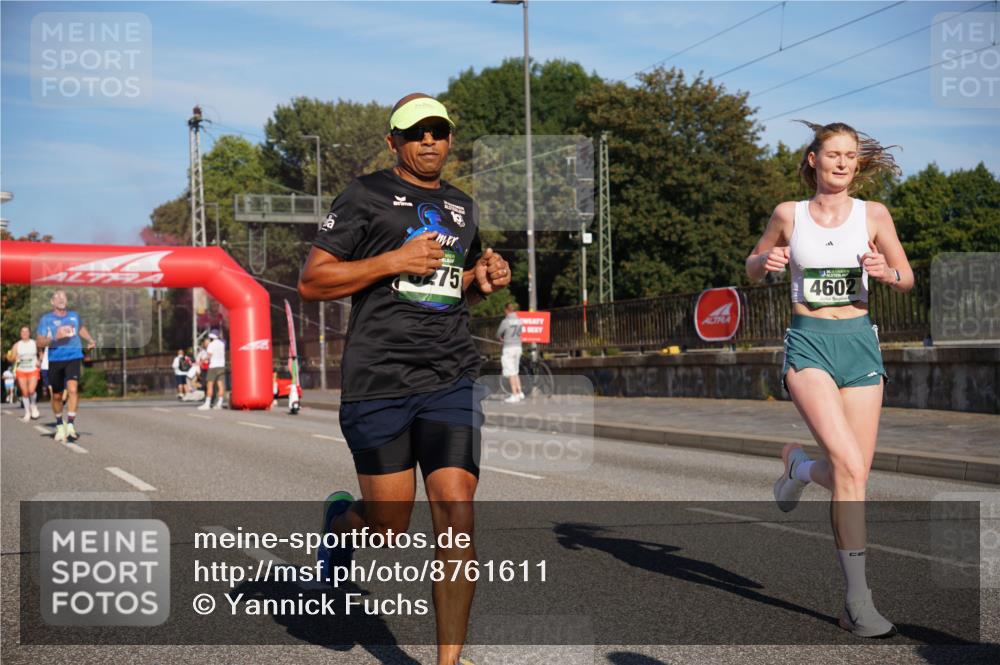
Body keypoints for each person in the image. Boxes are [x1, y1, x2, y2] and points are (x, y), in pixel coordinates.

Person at [299, 92, 511, 665]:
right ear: (393, 141)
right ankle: (340, 525)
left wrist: (479, 278)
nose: (429, 141)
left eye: (438, 131)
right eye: (416, 133)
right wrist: (393, 259)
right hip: (380, 379)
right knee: (388, 526)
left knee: (456, 510)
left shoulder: (462, 207)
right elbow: (313, 282)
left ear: (449, 139)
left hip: (450, 375)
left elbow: (445, 285)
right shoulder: (364, 195)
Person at [746, 121, 911, 638]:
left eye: (850, 156)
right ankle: (859, 602)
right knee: (848, 466)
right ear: (814, 159)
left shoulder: (874, 215)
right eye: (833, 154)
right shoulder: (788, 214)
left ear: (857, 164)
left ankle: (798, 467)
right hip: (809, 345)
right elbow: (751, 266)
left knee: (854, 474)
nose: (842, 162)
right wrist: (765, 261)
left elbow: (906, 278)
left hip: (860, 345)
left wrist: (886, 273)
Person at [36, 290, 96, 442]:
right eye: (57, 297)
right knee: (56, 396)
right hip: (55, 359)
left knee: (73, 389)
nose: (61, 299)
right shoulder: (46, 319)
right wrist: (55, 338)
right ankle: (59, 424)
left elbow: (80, 328)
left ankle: (70, 424)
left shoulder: (74, 316)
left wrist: (90, 339)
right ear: (52, 302)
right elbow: (40, 342)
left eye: (64, 297)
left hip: (73, 356)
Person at [8, 326, 41, 421]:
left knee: (31, 390)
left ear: (29, 333)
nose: (24, 333)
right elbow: (11, 358)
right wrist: (14, 358)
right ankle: (27, 412)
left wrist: (39, 361)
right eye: (22, 331)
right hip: (21, 370)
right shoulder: (16, 345)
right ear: (20, 333)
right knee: (25, 392)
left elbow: (41, 352)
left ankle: (33, 405)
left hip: (33, 369)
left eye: (26, 331)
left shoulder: (34, 343)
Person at [496, 302, 524, 403]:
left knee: (510, 371)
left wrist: (501, 339)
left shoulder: (505, 321)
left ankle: (514, 395)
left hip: (509, 348)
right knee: (515, 371)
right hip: (518, 347)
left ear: (507, 310)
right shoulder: (520, 321)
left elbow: (498, 334)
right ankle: (520, 392)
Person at [199, 330, 226, 410]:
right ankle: (219, 404)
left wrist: (202, 361)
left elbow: (209, 355)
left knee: (209, 385)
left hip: (213, 366)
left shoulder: (211, 344)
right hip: (221, 366)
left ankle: (207, 404)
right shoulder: (222, 344)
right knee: (220, 385)